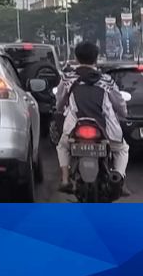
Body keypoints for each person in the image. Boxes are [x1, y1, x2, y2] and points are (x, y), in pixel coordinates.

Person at [55, 41, 130, 195]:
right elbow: (119, 104)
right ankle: (118, 179)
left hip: (74, 130)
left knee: (62, 146)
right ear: (96, 59)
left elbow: (60, 101)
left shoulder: (67, 79)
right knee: (122, 149)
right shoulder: (107, 80)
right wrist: (124, 114)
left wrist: (60, 108)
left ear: (76, 58)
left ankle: (64, 179)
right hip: (107, 131)